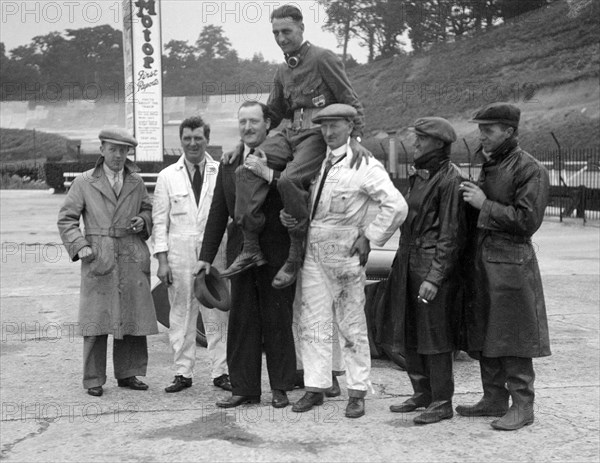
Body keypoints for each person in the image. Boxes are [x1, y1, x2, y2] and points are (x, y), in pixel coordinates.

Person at [221, 4, 369, 290]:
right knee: (245, 171)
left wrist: (355, 141)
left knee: (289, 179)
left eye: (286, 31)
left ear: (301, 28)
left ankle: (294, 254)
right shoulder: (281, 70)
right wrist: (242, 143)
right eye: (275, 32)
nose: (281, 38)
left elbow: (350, 100)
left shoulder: (323, 58)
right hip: (291, 133)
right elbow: (272, 114)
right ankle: (251, 248)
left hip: (316, 135)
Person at [289, 104, 408, 418]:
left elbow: (396, 206)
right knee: (312, 321)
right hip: (314, 249)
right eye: (324, 126)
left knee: (351, 324)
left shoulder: (365, 163)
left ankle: (357, 391)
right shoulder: (317, 160)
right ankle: (316, 387)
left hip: (344, 251)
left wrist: (369, 236)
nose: (329, 132)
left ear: (351, 126)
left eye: (336, 126)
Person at [195, 101, 297, 409]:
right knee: (242, 322)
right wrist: (205, 256)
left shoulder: (284, 160)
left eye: (254, 121)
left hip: (277, 252)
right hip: (240, 253)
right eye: (243, 122)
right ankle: (244, 388)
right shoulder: (228, 163)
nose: (248, 127)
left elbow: (296, 195)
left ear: (268, 123)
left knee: (278, 318)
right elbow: (218, 212)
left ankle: (280, 387)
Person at [456, 102, 551, 431]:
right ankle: (494, 398)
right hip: (485, 260)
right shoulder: (493, 163)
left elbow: (528, 221)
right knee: (486, 331)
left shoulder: (530, 168)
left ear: (509, 131)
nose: (481, 135)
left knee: (512, 334)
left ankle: (523, 406)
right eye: (480, 128)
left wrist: (484, 204)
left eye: (489, 129)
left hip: (511, 263)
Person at [57, 128, 158, 397]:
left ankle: (128, 373)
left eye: (123, 150)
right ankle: (93, 379)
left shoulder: (135, 182)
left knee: (132, 315)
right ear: (101, 150)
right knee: (96, 318)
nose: (117, 155)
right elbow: (67, 219)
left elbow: (148, 209)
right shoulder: (84, 182)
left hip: (131, 252)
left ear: (128, 153)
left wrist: (143, 220)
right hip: (98, 253)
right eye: (112, 149)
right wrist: (81, 245)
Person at [386, 117, 466, 425]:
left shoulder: (450, 179)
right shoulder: (421, 176)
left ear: (437, 143)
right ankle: (422, 392)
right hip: (408, 261)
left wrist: (435, 277)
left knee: (435, 336)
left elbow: (451, 234)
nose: (415, 143)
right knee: (410, 332)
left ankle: (442, 401)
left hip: (430, 265)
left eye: (421, 139)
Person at [152, 117, 230, 393]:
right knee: (181, 314)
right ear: (181, 140)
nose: (193, 143)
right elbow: (159, 222)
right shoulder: (167, 176)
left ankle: (221, 372)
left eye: (198, 138)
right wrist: (161, 261)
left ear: (207, 139)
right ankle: (183, 372)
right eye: (187, 138)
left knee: (217, 316)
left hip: (213, 255)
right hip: (179, 255)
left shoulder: (221, 171)